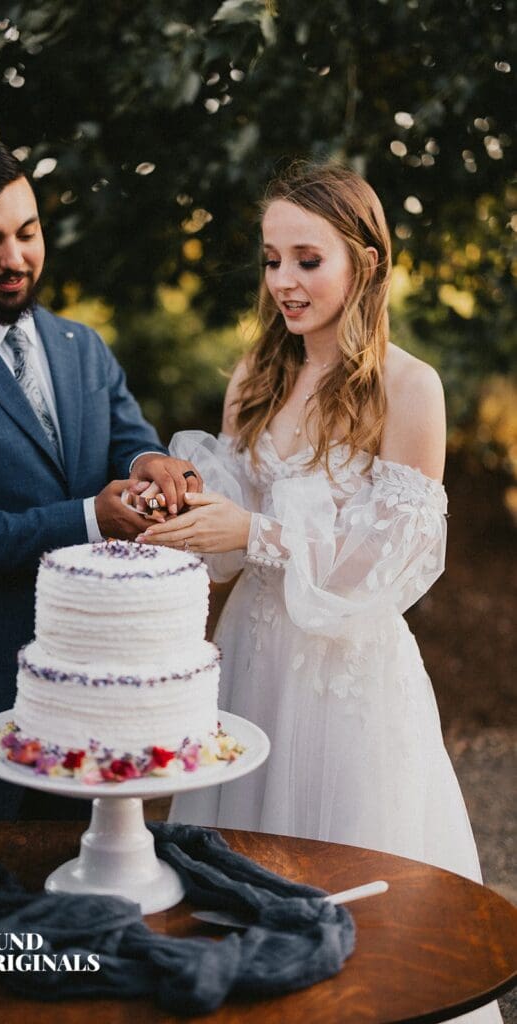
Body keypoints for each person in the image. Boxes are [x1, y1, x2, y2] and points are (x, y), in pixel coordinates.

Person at [137, 161, 493, 889]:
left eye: (307, 259)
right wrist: (187, 509)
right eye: (272, 260)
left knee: (346, 878)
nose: (283, 282)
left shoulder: (409, 389)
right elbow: (228, 540)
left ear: (365, 264)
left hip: (344, 670)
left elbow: (395, 563)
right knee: (234, 869)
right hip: (250, 656)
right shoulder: (256, 378)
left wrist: (255, 532)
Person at [0, 131, 200, 824]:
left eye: (28, 232)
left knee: (85, 901)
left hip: (92, 696)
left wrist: (150, 464)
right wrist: (91, 519)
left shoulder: (83, 346)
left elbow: (127, 440)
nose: (15, 258)